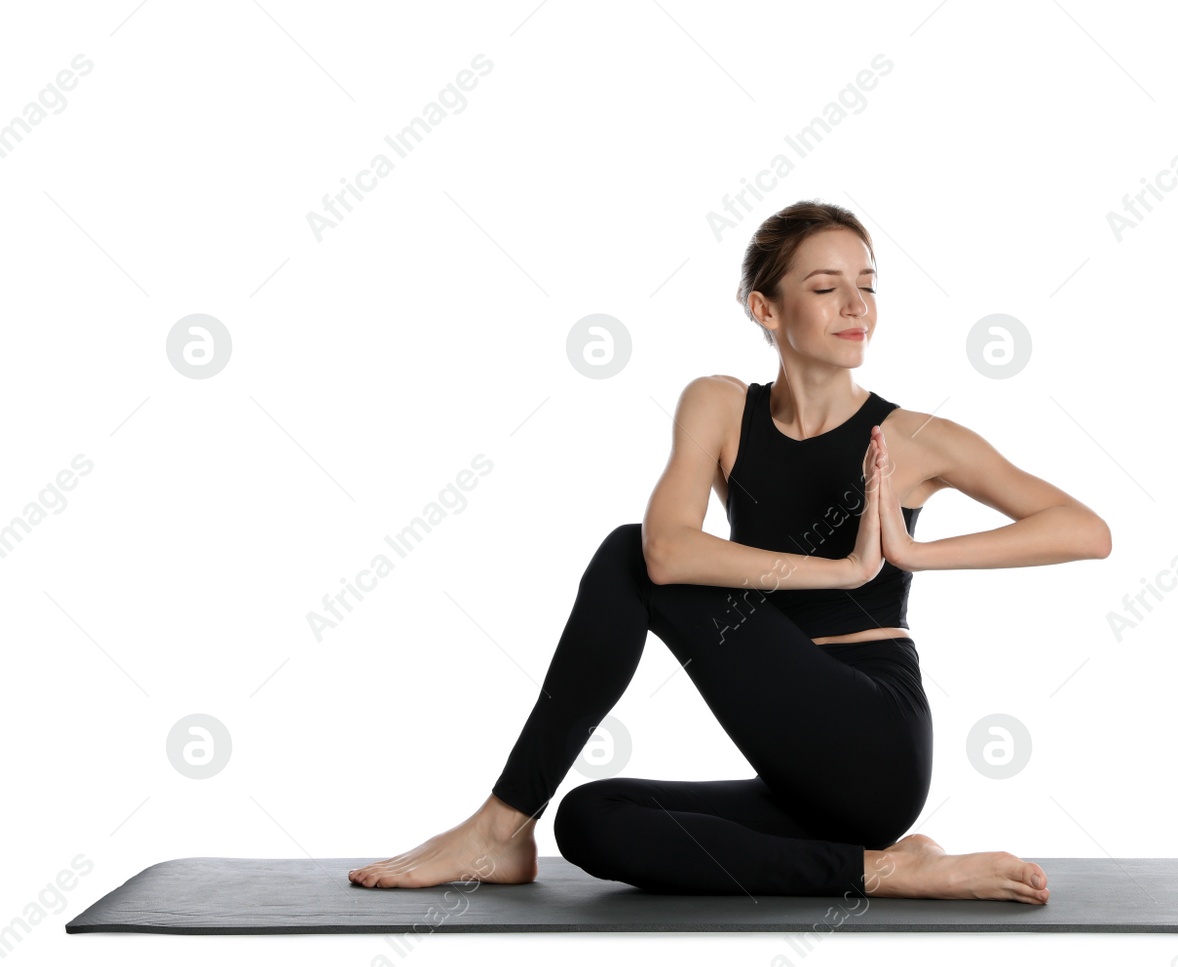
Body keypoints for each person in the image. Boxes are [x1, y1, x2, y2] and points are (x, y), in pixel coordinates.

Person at [349, 200, 1111, 903]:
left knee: (623, 556)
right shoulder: (718, 406)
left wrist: (909, 552)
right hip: (790, 760)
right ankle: (885, 868)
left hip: (873, 740)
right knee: (591, 818)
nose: (856, 307)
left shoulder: (912, 438)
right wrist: (844, 567)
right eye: (825, 287)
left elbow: (1085, 529)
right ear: (765, 308)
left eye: (867, 286)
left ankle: (498, 824)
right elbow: (670, 553)